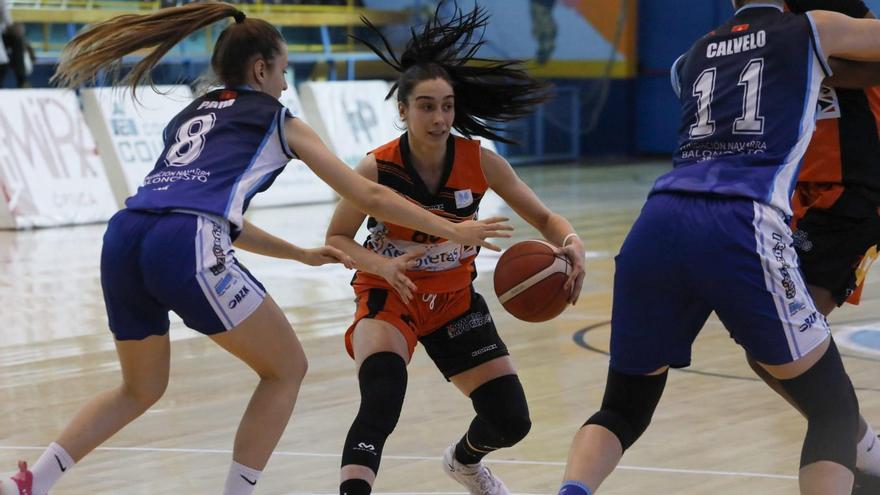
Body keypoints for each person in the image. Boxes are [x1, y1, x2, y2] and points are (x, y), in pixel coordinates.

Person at [0, 4, 512, 495]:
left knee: (140, 388)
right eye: (284, 70)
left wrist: (300, 253)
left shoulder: (190, 114)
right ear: (262, 68)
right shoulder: (277, 117)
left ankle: (32, 482)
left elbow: (213, 216)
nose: (287, 82)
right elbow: (370, 195)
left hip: (125, 235)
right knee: (286, 368)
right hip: (186, 240)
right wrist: (455, 229)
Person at [556, 2, 880, 494]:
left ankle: (571, 489)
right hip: (740, 223)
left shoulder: (695, 53)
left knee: (623, 408)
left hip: (657, 221)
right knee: (833, 408)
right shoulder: (810, 30)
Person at [325, 4, 585, 495]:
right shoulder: (376, 168)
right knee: (381, 401)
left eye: (446, 105)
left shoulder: (480, 162)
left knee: (511, 420)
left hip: (452, 303)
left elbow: (547, 219)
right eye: (426, 105)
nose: (440, 116)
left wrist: (572, 245)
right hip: (389, 296)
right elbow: (336, 239)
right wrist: (381, 262)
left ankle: (464, 463)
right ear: (403, 110)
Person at [741, 1, 880, 493]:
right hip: (799, 200)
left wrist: (810, 68)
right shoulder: (763, 29)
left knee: (785, 337)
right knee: (765, 346)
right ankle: (862, 447)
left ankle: (854, 448)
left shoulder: (830, 12)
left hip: (854, 195)